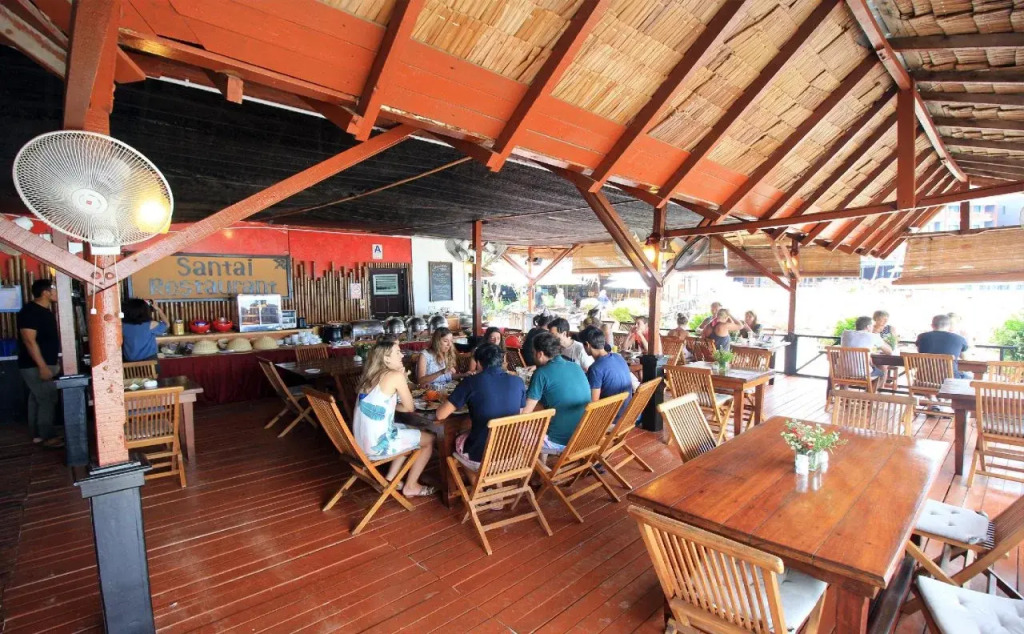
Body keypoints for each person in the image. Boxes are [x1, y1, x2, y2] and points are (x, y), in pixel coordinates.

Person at [353, 339, 435, 496]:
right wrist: (402, 378)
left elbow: (383, 404)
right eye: (397, 352)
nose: (402, 355)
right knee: (429, 439)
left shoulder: (369, 376)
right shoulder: (395, 376)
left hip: (359, 443)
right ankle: (411, 486)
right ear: (386, 358)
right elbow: (410, 408)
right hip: (377, 446)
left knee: (409, 429)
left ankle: (391, 478)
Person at [437, 343, 526, 479]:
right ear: (502, 361)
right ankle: (490, 484)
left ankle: (477, 487)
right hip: (512, 451)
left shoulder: (470, 382)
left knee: (455, 440)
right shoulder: (518, 381)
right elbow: (519, 412)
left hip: (481, 455)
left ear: (478, 363)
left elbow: (440, 415)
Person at [522, 333, 592, 454]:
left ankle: (533, 464)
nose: (533, 355)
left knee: (516, 427)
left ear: (540, 354)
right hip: (583, 436)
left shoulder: (541, 373)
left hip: (559, 443)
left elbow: (525, 413)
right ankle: (542, 462)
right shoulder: (575, 366)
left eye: (533, 352)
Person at [17, 279, 62, 448]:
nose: (56, 292)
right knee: (47, 398)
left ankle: (37, 435)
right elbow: (29, 340)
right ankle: (47, 436)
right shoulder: (31, 312)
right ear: (45, 293)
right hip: (34, 365)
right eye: (54, 289)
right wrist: (42, 366)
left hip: (42, 363)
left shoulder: (45, 311)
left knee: (37, 399)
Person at [583, 329, 633, 412]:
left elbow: (593, 404)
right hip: (628, 413)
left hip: (611, 416)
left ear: (587, 345)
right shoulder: (618, 357)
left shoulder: (595, 368)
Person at [917, 314, 970, 378]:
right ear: (949, 326)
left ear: (932, 325)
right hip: (949, 380)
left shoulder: (921, 337)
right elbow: (964, 357)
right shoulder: (959, 339)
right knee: (969, 377)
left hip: (923, 378)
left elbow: (920, 351)